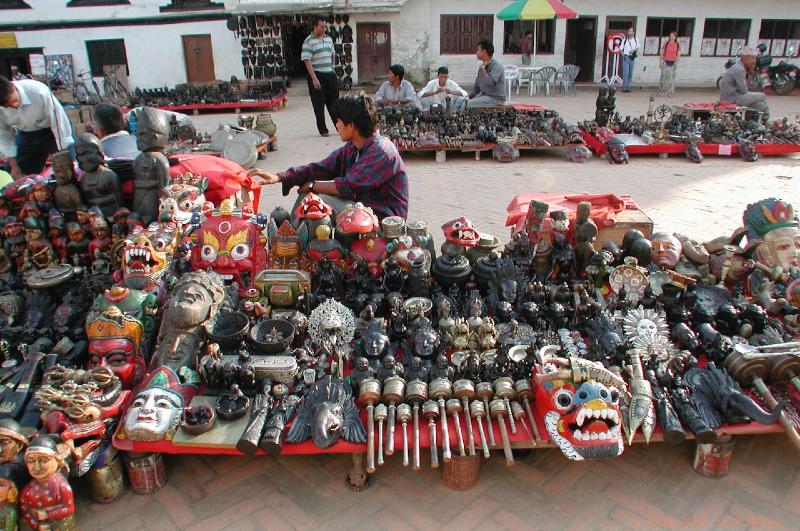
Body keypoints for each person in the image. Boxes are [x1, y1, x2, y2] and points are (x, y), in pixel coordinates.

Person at [249, 95, 408, 220]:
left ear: (351, 125)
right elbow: (322, 167)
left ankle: (292, 241)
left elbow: (348, 185)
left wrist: (313, 185)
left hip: (383, 217)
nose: (336, 126)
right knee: (309, 197)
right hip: (362, 207)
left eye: (338, 121)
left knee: (317, 201)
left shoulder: (381, 151)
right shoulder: (353, 147)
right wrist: (280, 177)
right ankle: (291, 238)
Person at [0, 75, 73, 180]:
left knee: (67, 168)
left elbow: (59, 122)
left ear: (13, 86)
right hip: (27, 134)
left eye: (15, 102)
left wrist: (62, 155)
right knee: (13, 171)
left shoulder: (38, 92)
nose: (15, 106)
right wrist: (14, 167)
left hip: (53, 131)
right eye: (9, 107)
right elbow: (4, 136)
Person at [302, 15, 339, 137]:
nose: (324, 29)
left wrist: (332, 69)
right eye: (321, 27)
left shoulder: (328, 39)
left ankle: (339, 126)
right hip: (317, 74)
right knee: (319, 103)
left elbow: (333, 54)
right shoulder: (308, 41)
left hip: (329, 73)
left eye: (325, 27)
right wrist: (314, 79)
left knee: (334, 102)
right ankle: (323, 129)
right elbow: (307, 60)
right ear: (315, 26)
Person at [720, 46, 769, 117]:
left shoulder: (740, 67)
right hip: (732, 99)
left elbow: (745, 88)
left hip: (736, 96)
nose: (754, 61)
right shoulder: (739, 69)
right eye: (753, 58)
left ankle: (760, 120)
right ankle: (763, 118)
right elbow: (744, 91)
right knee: (763, 96)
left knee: (762, 106)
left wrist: (751, 73)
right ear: (745, 58)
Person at [468, 39, 507, 108]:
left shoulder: (497, 66)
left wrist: (483, 69)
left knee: (467, 104)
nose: (476, 52)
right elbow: (476, 88)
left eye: (478, 50)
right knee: (461, 102)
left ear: (484, 52)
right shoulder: (482, 67)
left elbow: (490, 82)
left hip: (495, 99)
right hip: (484, 96)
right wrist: (466, 96)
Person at [658, 32, 681, 98]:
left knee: (671, 79)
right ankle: (660, 91)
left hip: (673, 62)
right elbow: (662, 54)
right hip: (665, 62)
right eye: (670, 36)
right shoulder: (666, 44)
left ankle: (670, 92)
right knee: (663, 77)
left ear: (675, 37)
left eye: (673, 36)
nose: (671, 37)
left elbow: (678, 55)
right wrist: (660, 62)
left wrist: (677, 63)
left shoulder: (678, 45)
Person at [621, 27, 640, 93]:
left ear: (633, 32)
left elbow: (637, 48)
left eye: (630, 31)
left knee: (630, 74)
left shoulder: (636, 40)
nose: (629, 32)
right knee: (626, 73)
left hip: (632, 58)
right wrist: (623, 55)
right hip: (626, 57)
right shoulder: (624, 40)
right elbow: (621, 49)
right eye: (629, 31)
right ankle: (624, 88)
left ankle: (628, 87)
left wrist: (633, 50)